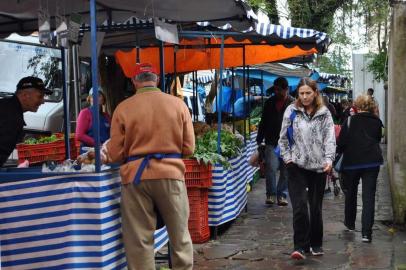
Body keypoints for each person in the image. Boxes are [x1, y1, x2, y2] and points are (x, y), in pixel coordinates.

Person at [102, 63, 195, 270]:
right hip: (171, 175)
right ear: (157, 79)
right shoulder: (178, 105)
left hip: (136, 178)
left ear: (134, 81)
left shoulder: (123, 108)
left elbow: (116, 154)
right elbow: (189, 149)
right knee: (179, 235)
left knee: (139, 240)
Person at [278, 77, 335, 260]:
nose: (304, 97)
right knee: (300, 206)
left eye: (308, 93)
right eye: (301, 93)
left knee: (315, 208)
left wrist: (329, 160)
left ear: (315, 93)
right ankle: (300, 246)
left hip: (319, 167)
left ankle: (316, 242)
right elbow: (283, 138)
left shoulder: (325, 113)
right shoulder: (291, 111)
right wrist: (287, 159)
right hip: (296, 166)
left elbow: (330, 139)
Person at [336, 94, 383, 243]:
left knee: (351, 193)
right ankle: (366, 234)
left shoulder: (349, 121)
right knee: (369, 197)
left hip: (352, 162)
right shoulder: (377, 122)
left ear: (356, 106)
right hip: (372, 162)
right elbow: (377, 139)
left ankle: (350, 223)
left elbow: (341, 143)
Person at [257, 77, 294, 206]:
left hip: (288, 143)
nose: (277, 92)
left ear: (286, 89)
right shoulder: (269, 103)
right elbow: (263, 122)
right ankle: (271, 194)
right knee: (271, 168)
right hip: (271, 141)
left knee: (286, 170)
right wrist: (259, 139)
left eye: (279, 90)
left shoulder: (293, 104)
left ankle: (282, 195)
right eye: (276, 90)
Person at [0, 76, 51, 167]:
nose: (43, 101)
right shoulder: (12, 118)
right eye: (40, 96)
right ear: (24, 95)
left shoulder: (6, 106)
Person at [75, 87, 111, 153]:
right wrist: (97, 143)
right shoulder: (85, 113)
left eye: (99, 96)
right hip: (89, 152)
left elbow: (110, 135)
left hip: (104, 151)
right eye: (93, 96)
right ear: (89, 99)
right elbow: (79, 135)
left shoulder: (106, 116)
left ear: (103, 99)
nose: (96, 98)